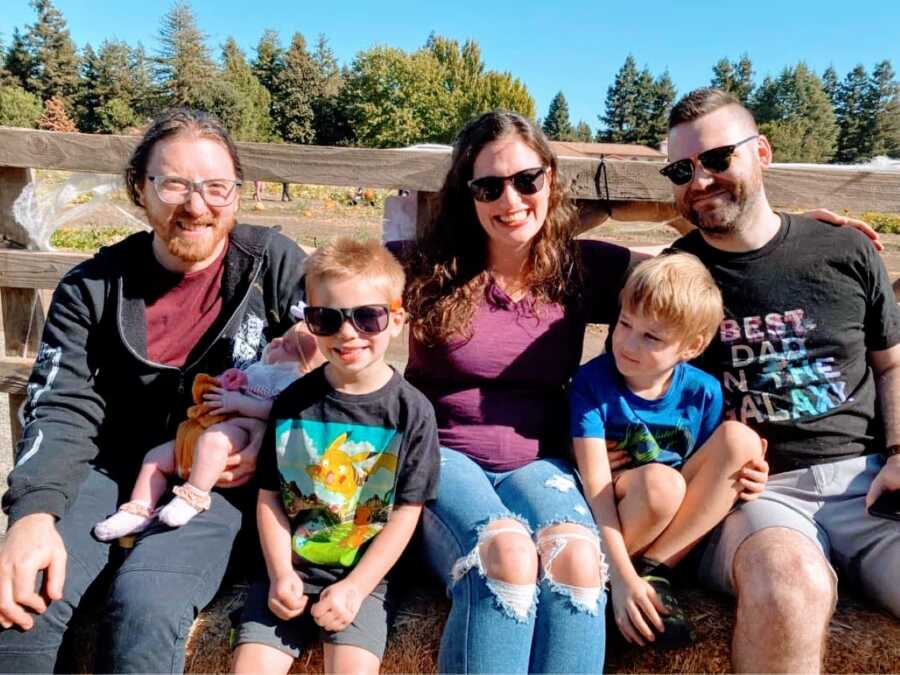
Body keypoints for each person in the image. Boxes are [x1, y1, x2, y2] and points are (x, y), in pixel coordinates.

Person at [0, 109, 322, 673]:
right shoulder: (92, 289)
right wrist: (33, 514)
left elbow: (340, 373)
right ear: (140, 191)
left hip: (218, 485)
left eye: (215, 187)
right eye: (173, 184)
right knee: (24, 603)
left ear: (237, 194)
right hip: (110, 470)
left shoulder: (273, 265)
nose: (196, 205)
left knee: (145, 607)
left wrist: (267, 441)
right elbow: (60, 406)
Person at [655, 88, 900, 672]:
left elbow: (892, 363)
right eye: (681, 169)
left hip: (867, 485)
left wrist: (899, 451)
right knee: (789, 583)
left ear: (761, 152)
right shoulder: (678, 274)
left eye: (717, 159)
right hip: (758, 496)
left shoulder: (843, 249)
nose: (700, 180)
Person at [389, 111, 626, 673]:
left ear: (550, 178)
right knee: (507, 555)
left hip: (538, 462)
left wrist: (801, 232)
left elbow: (693, 285)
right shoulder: (423, 266)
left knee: (579, 563)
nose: (511, 198)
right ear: (467, 194)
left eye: (527, 179)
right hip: (440, 455)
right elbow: (327, 284)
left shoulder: (584, 268)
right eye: (488, 186)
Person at [232, 238, 439, 675]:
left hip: (368, 578)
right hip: (290, 571)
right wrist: (279, 572)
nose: (348, 333)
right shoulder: (293, 402)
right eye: (326, 319)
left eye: (367, 317)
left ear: (397, 319)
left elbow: (406, 512)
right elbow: (270, 497)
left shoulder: (411, 410)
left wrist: (355, 589)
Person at [571, 253, 767, 649]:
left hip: (670, 530)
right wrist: (621, 574)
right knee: (663, 485)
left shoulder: (703, 390)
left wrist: (748, 474)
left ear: (692, 346)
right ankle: (616, 584)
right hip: (618, 511)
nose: (627, 342)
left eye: (652, 336)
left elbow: (710, 470)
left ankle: (655, 573)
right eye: (624, 323)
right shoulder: (592, 384)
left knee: (741, 441)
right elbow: (596, 490)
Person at [93, 330, 317, 540]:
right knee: (155, 457)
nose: (276, 343)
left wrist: (237, 402)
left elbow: (274, 410)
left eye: (287, 346)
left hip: (239, 431)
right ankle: (139, 507)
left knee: (216, 441)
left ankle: (194, 495)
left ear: (304, 365)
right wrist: (228, 381)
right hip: (204, 427)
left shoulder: (290, 381)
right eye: (280, 338)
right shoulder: (261, 368)